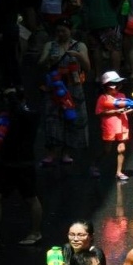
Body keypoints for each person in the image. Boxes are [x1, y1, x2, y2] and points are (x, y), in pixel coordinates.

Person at [0, 88, 42, 246]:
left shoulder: (29, 115)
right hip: (6, 163)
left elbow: (20, 114)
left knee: (31, 199)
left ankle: (36, 232)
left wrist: (12, 97)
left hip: (24, 165)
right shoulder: (5, 116)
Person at [38, 18, 91, 166]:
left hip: (73, 86)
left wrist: (78, 56)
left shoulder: (80, 46)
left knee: (73, 119)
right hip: (55, 86)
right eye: (58, 31)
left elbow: (87, 67)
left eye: (64, 30)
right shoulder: (50, 45)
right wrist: (49, 58)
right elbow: (41, 63)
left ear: (70, 30)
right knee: (52, 118)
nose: (60, 33)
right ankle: (51, 152)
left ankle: (67, 152)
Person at [83, 0, 123, 75]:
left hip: (93, 21)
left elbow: (85, 2)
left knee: (96, 49)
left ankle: (98, 75)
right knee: (115, 48)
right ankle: (115, 74)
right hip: (109, 19)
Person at [92, 71, 133, 179]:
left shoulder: (122, 95)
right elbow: (99, 112)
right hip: (110, 126)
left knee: (122, 149)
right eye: (114, 84)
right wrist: (115, 112)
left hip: (122, 125)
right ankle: (95, 165)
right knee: (107, 150)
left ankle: (119, 172)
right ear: (107, 86)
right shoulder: (103, 98)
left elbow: (125, 110)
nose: (117, 86)